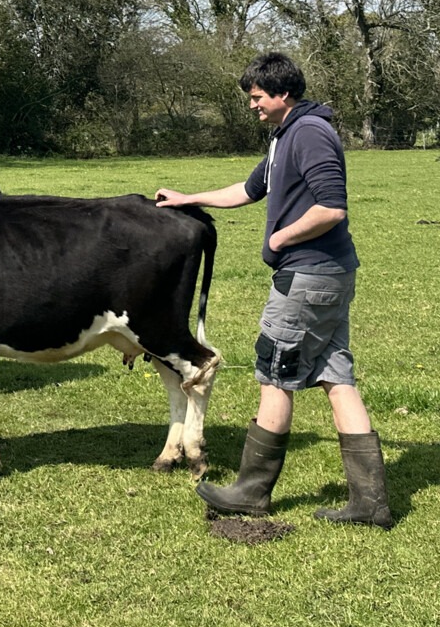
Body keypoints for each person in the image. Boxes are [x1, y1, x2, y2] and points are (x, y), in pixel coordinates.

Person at [156, 51, 394, 529]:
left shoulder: (309, 134)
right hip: (327, 275)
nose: (252, 105)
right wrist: (190, 198)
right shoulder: (285, 134)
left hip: (307, 276)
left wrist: (280, 237)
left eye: (258, 97)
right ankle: (370, 503)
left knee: (274, 374)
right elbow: (248, 190)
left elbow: (331, 208)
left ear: (282, 94)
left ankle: (250, 491)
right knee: (336, 377)